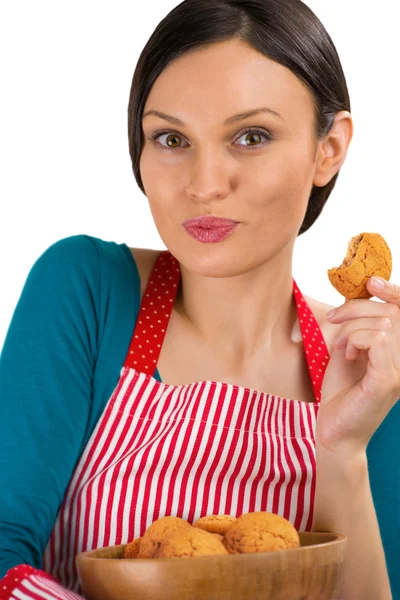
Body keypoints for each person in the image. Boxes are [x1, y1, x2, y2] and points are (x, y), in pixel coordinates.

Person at [0, 0, 399, 598]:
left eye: (251, 136)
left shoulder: (377, 368)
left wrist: (341, 451)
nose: (205, 183)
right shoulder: (85, 289)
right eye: (171, 138)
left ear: (329, 148)